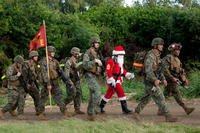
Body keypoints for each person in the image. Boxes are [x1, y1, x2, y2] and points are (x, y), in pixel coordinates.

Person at [134, 37, 177, 122]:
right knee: (160, 96)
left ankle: (136, 112)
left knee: (146, 98)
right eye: (160, 44)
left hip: (153, 81)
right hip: (149, 81)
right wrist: (154, 80)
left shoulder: (157, 55)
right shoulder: (150, 56)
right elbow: (148, 70)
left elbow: (159, 70)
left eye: (162, 44)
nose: (162, 46)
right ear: (155, 45)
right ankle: (168, 116)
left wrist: (163, 79)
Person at [39, 46, 73, 120]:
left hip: (55, 82)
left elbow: (61, 72)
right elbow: (44, 74)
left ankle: (64, 111)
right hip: (46, 83)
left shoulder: (55, 61)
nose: (53, 53)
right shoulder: (44, 62)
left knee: (59, 96)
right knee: (43, 98)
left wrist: (67, 81)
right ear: (48, 52)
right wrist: (48, 84)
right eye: (52, 52)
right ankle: (41, 113)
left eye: (54, 52)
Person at [160, 43, 194, 115]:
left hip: (174, 80)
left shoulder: (178, 60)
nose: (178, 51)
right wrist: (172, 78)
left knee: (165, 94)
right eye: (176, 50)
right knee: (176, 93)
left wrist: (184, 80)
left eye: (179, 50)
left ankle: (160, 109)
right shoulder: (168, 58)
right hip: (169, 80)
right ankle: (186, 108)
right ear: (172, 51)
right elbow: (165, 70)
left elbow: (181, 71)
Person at [99, 45, 134, 114]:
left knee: (109, 93)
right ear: (116, 55)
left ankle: (100, 107)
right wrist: (111, 79)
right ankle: (125, 109)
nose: (121, 56)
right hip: (113, 80)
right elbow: (108, 71)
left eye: (122, 55)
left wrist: (128, 74)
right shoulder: (111, 61)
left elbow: (122, 71)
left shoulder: (120, 63)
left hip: (118, 79)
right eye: (120, 55)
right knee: (121, 92)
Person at [82, 37, 103, 121]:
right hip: (89, 75)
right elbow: (85, 65)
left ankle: (90, 112)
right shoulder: (88, 53)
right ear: (92, 44)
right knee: (97, 92)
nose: (98, 44)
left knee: (92, 95)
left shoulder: (96, 53)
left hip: (94, 75)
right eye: (96, 43)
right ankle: (94, 112)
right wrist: (95, 61)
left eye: (98, 43)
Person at [18, 51, 42, 119]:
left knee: (37, 95)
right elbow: (24, 75)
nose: (37, 57)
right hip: (24, 83)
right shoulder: (26, 64)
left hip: (31, 83)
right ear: (32, 57)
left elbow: (34, 75)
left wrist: (36, 82)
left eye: (37, 56)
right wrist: (26, 84)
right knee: (22, 98)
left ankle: (38, 111)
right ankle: (20, 113)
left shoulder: (34, 64)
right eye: (35, 56)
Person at [64, 47, 84, 114]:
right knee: (72, 95)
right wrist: (70, 82)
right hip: (71, 81)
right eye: (77, 53)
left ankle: (77, 109)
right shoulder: (69, 62)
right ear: (73, 53)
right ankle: (62, 105)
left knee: (78, 93)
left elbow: (79, 70)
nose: (78, 54)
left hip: (76, 80)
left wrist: (80, 76)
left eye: (78, 53)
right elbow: (66, 74)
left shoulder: (77, 61)